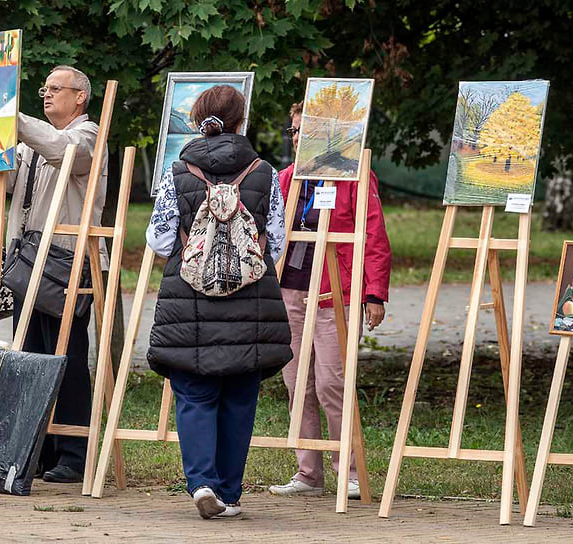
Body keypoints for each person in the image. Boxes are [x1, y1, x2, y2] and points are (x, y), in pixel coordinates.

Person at [146, 85, 293, 519]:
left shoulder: (179, 172)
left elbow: (159, 238)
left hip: (187, 303)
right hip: (250, 301)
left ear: (197, 120)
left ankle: (202, 483)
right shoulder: (265, 172)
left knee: (194, 393)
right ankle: (229, 493)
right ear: (240, 120)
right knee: (240, 396)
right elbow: (278, 240)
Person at [268, 102, 392, 499]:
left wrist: (374, 293)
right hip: (289, 288)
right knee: (295, 382)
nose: (296, 138)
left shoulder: (354, 176)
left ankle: (349, 471)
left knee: (331, 382)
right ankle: (308, 473)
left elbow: (373, 235)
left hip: (333, 291)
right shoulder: (286, 178)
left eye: (305, 131)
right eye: (293, 131)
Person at [0, 65, 106, 484]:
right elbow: (3, 180)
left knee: (67, 357)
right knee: (31, 355)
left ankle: (73, 452)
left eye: (56, 89)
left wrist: (13, 120)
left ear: (80, 97)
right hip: (28, 261)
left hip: (65, 264)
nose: (47, 94)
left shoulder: (87, 134)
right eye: (45, 88)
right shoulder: (33, 145)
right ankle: (38, 449)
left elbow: (64, 151)